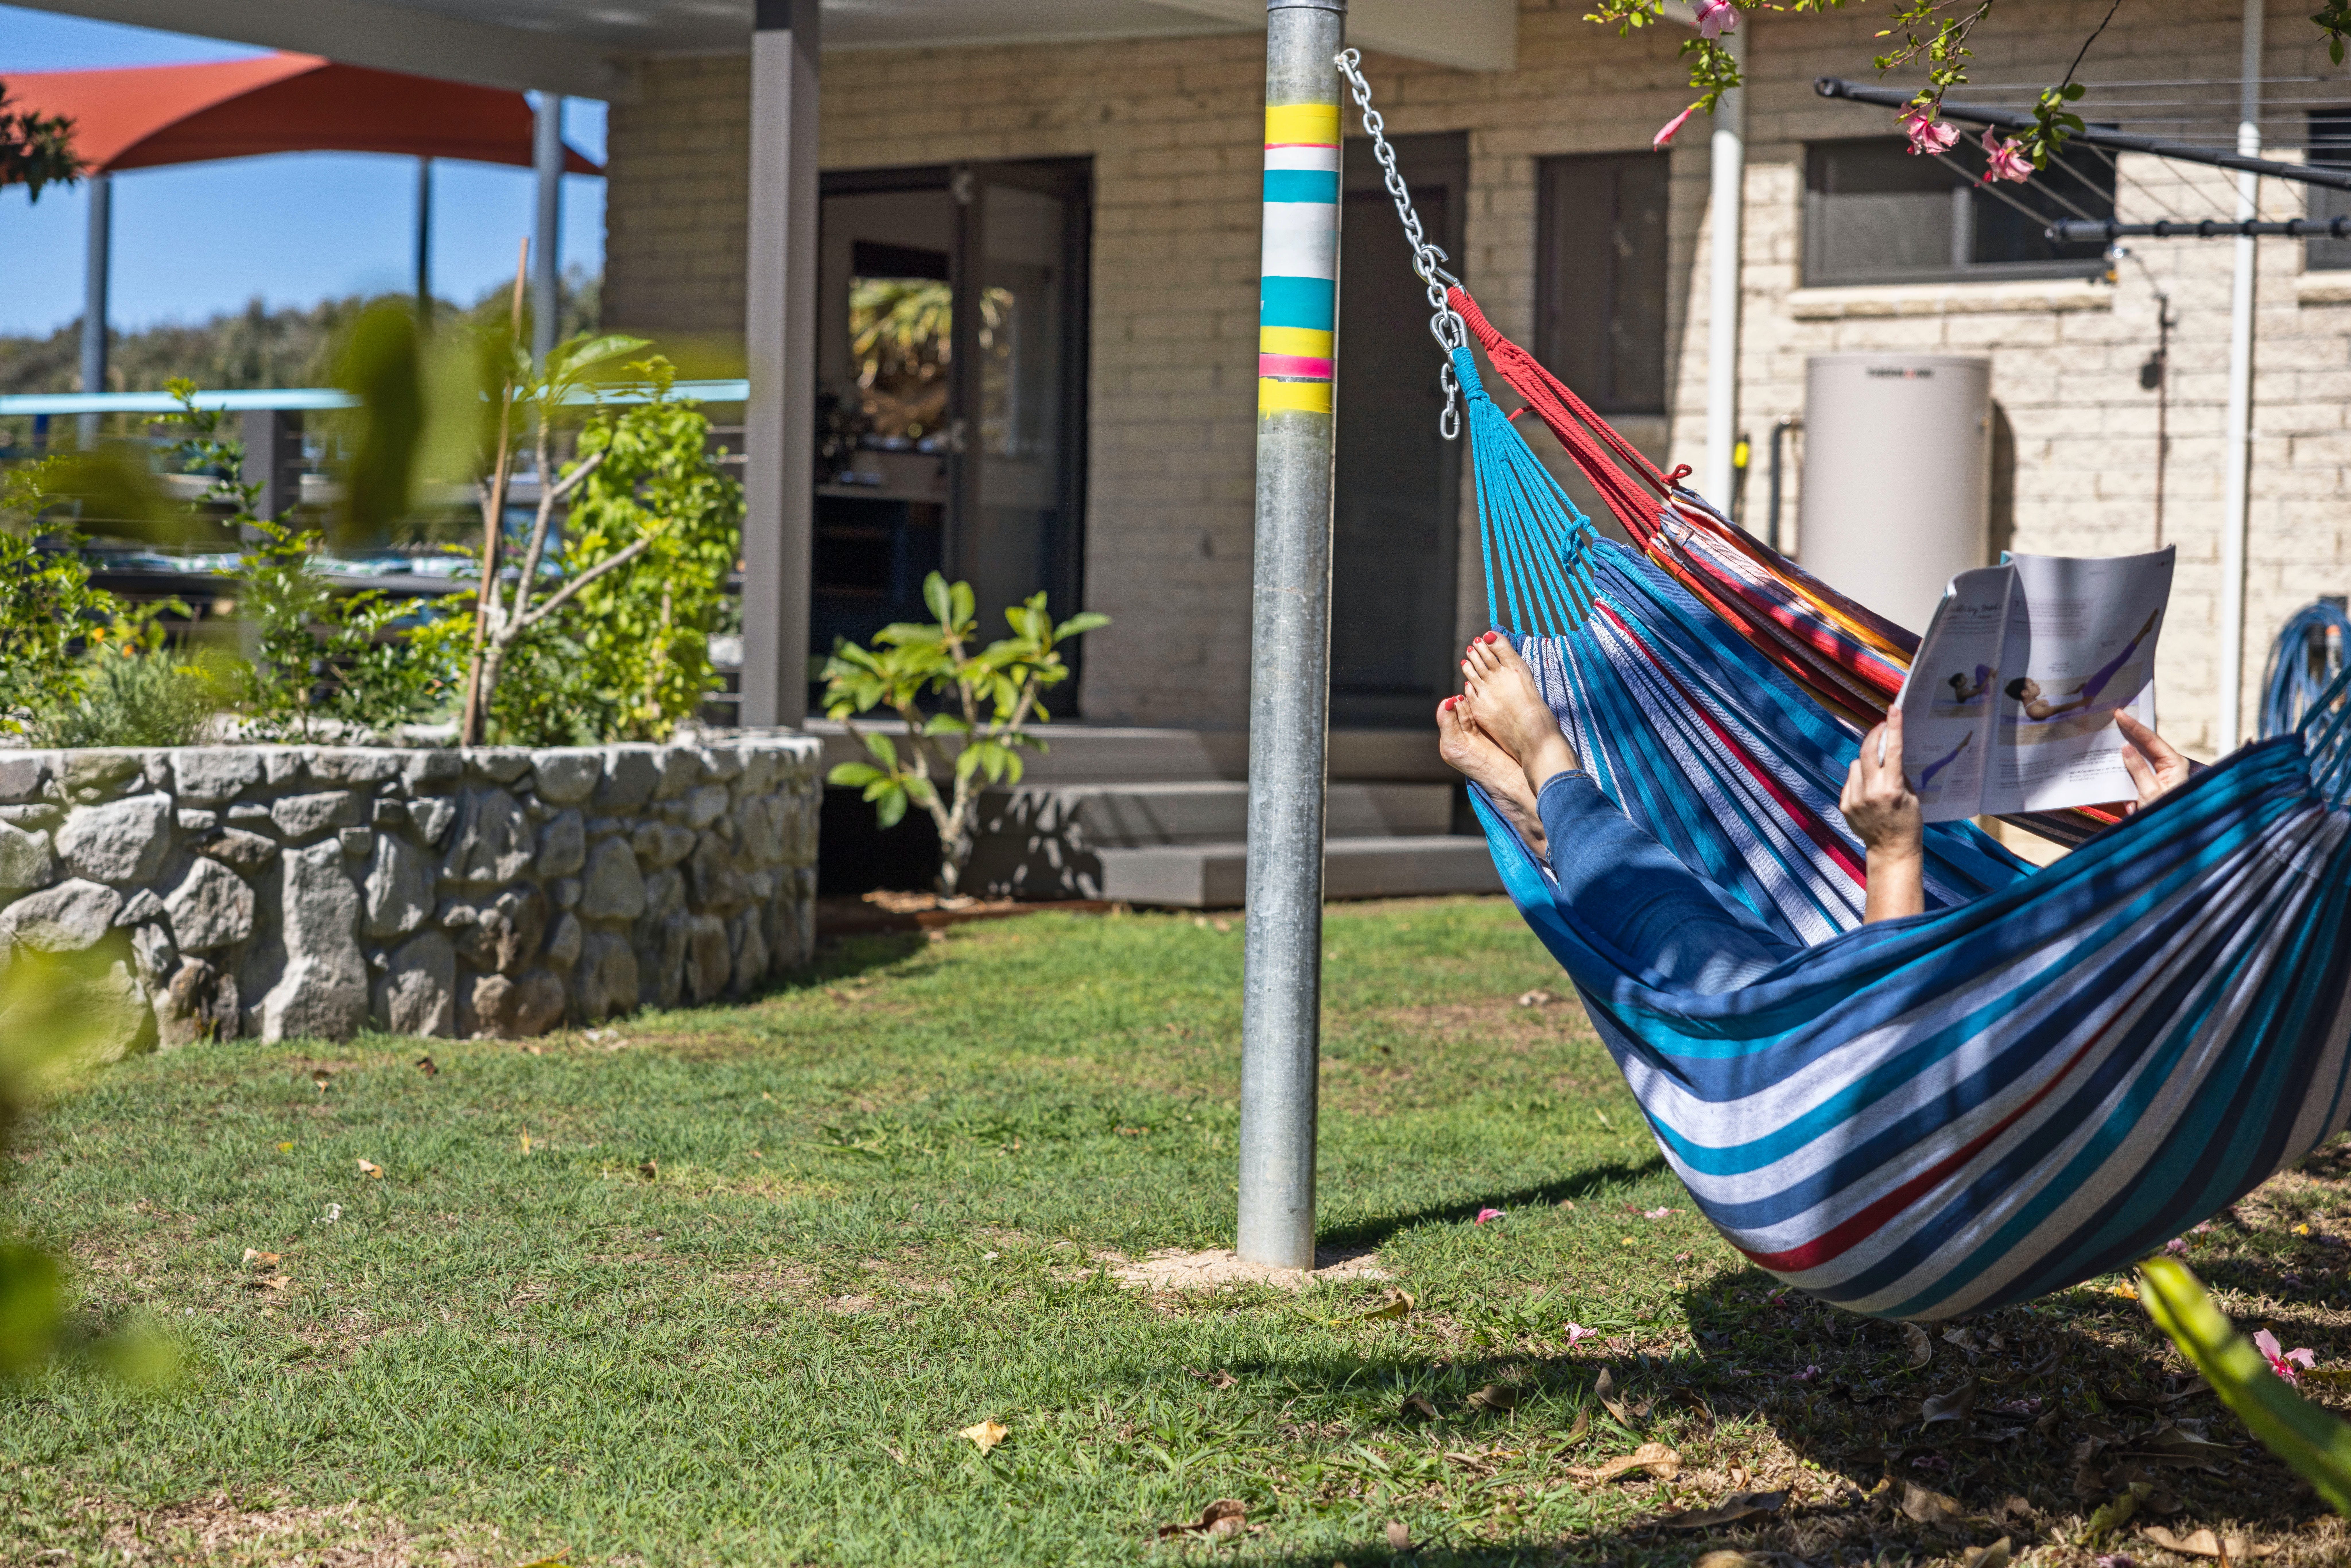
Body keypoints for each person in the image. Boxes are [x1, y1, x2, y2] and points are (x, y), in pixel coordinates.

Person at [1439, 632, 2195, 946]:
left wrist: (1894, 854)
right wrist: (2172, 842)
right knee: (1684, 905)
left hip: (1807, 1047)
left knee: (1681, 937)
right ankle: (1552, 813)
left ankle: (1547, 767)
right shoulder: (2143, 1001)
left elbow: (1882, 1035)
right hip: (1992, 961)